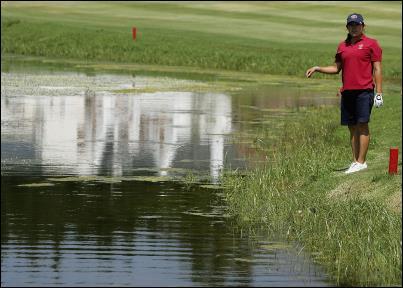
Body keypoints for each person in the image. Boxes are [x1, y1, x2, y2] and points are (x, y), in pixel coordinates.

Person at [305, 13, 383, 174]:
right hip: (347, 92)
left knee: (362, 125)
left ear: (363, 26)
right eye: (351, 25)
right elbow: (336, 68)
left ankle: (362, 162)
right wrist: (318, 68)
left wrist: (379, 93)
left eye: (357, 25)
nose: (354, 28)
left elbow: (377, 69)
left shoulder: (371, 44)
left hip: (364, 91)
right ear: (347, 27)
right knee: (351, 127)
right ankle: (355, 161)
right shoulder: (342, 46)